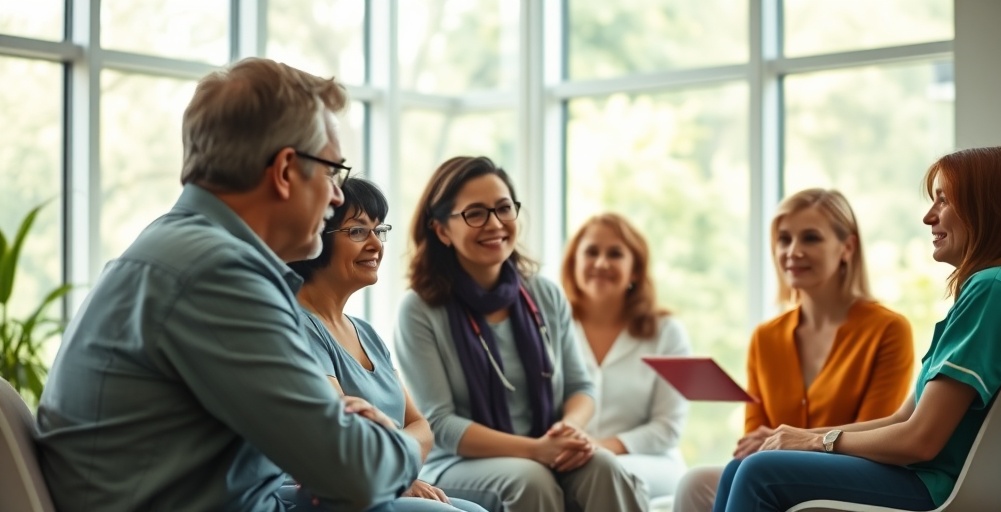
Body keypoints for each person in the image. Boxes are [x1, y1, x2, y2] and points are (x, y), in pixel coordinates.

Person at [35, 58, 421, 512]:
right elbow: (356, 472)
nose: (337, 195)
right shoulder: (217, 273)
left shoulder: (179, 247)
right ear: (284, 171)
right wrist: (400, 445)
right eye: (333, 173)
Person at [712, 146, 1001, 511]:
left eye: (944, 200)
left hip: (934, 484)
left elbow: (919, 440)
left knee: (759, 472)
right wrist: (796, 436)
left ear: (990, 208)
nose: (928, 217)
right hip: (923, 475)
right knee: (742, 466)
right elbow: (903, 419)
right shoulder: (997, 288)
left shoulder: (994, 288)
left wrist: (817, 442)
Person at [394, 156, 648, 512]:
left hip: (544, 447)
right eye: (475, 213)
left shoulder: (544, 293)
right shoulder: (419, 310)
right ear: (441, 230)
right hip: (456, 462)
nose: (495, 224)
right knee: (532, 479)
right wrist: (535, 450)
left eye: (503, 208)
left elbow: (581, 388)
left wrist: (567, 431)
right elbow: (439, 423)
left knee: (602, 465)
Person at [675, 188, 915, 512]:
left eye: (811, 238)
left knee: (748, 474)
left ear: (847, 247)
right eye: (784, 239)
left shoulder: (888, 330)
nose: (793, 251)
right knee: (695, 481)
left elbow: (875, 431)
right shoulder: (766, 337)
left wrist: (793, 438)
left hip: (852, 474)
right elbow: (753, 439)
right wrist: (774, 440)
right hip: (773, 470)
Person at [287, 176, 487, 512]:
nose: (376, 245)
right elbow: (343, 437)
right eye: (357, 231)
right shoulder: (298, 326)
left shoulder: (367, 333)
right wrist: (396, 469)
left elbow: (421, 425)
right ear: (316, 237)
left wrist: (390, 466)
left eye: (378, 231)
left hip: (381, 481)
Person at [560, 212, 692, 501]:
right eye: (591, 252)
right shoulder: (551, 325)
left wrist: (603, 446)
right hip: (567, 458)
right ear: (574, 264)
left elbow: (667, 427)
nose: (601, 263)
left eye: (615, 254)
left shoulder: (666, 332)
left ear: (635, 270)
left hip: (649, 460)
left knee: (607, 472)